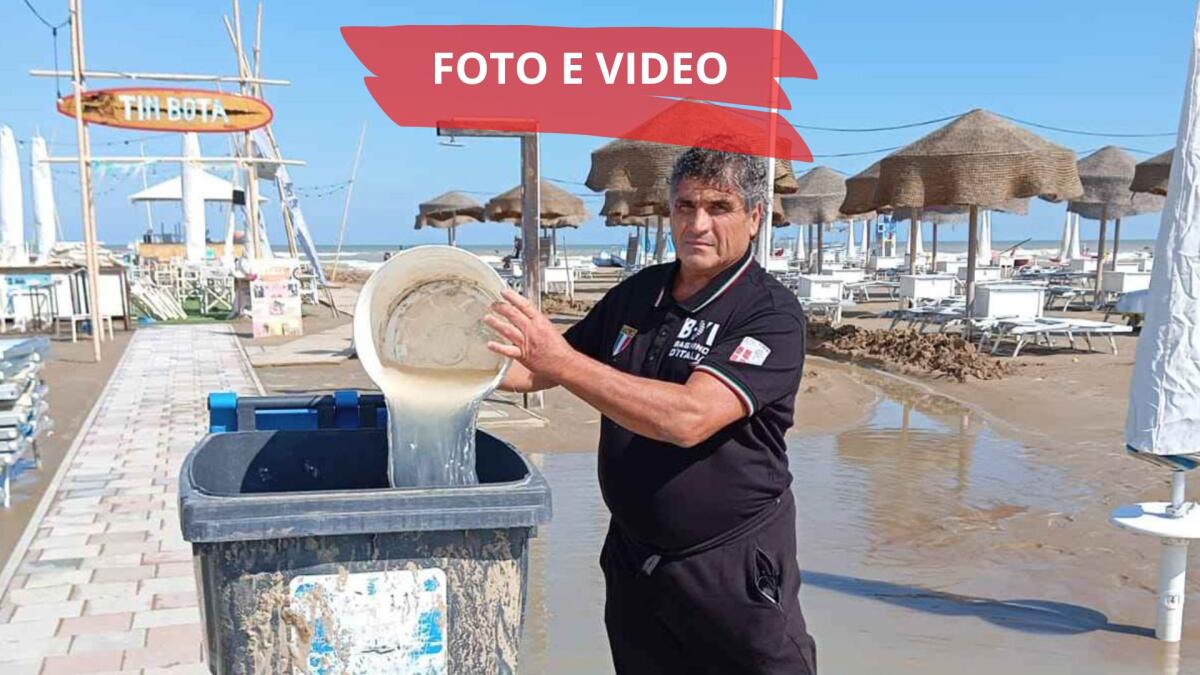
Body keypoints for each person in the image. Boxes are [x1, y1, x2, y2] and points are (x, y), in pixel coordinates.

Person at [484, 145, 816, 674]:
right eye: (685, 207)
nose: (698, 224)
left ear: (755, 217)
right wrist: (446, 360)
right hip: (635, 560)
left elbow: (689, 418)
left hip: (730, 566)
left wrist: (561, 361)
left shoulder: (769, 312)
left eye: (719, 207)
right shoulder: (640, 292)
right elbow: (535, 370)